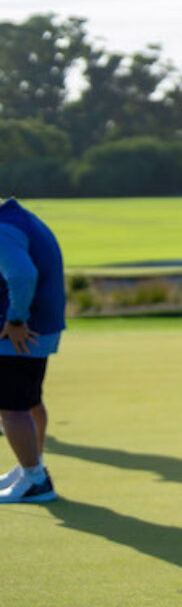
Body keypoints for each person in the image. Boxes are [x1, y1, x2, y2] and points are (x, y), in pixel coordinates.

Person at [0, 198, 65, 505]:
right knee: (29, 401)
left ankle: (35, 480)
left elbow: (23, 275)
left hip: (22, 332)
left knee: (12, 407)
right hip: (39, 328)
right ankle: (32, 467)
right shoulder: (18, 217)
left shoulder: (4, 228)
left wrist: (15, 319)